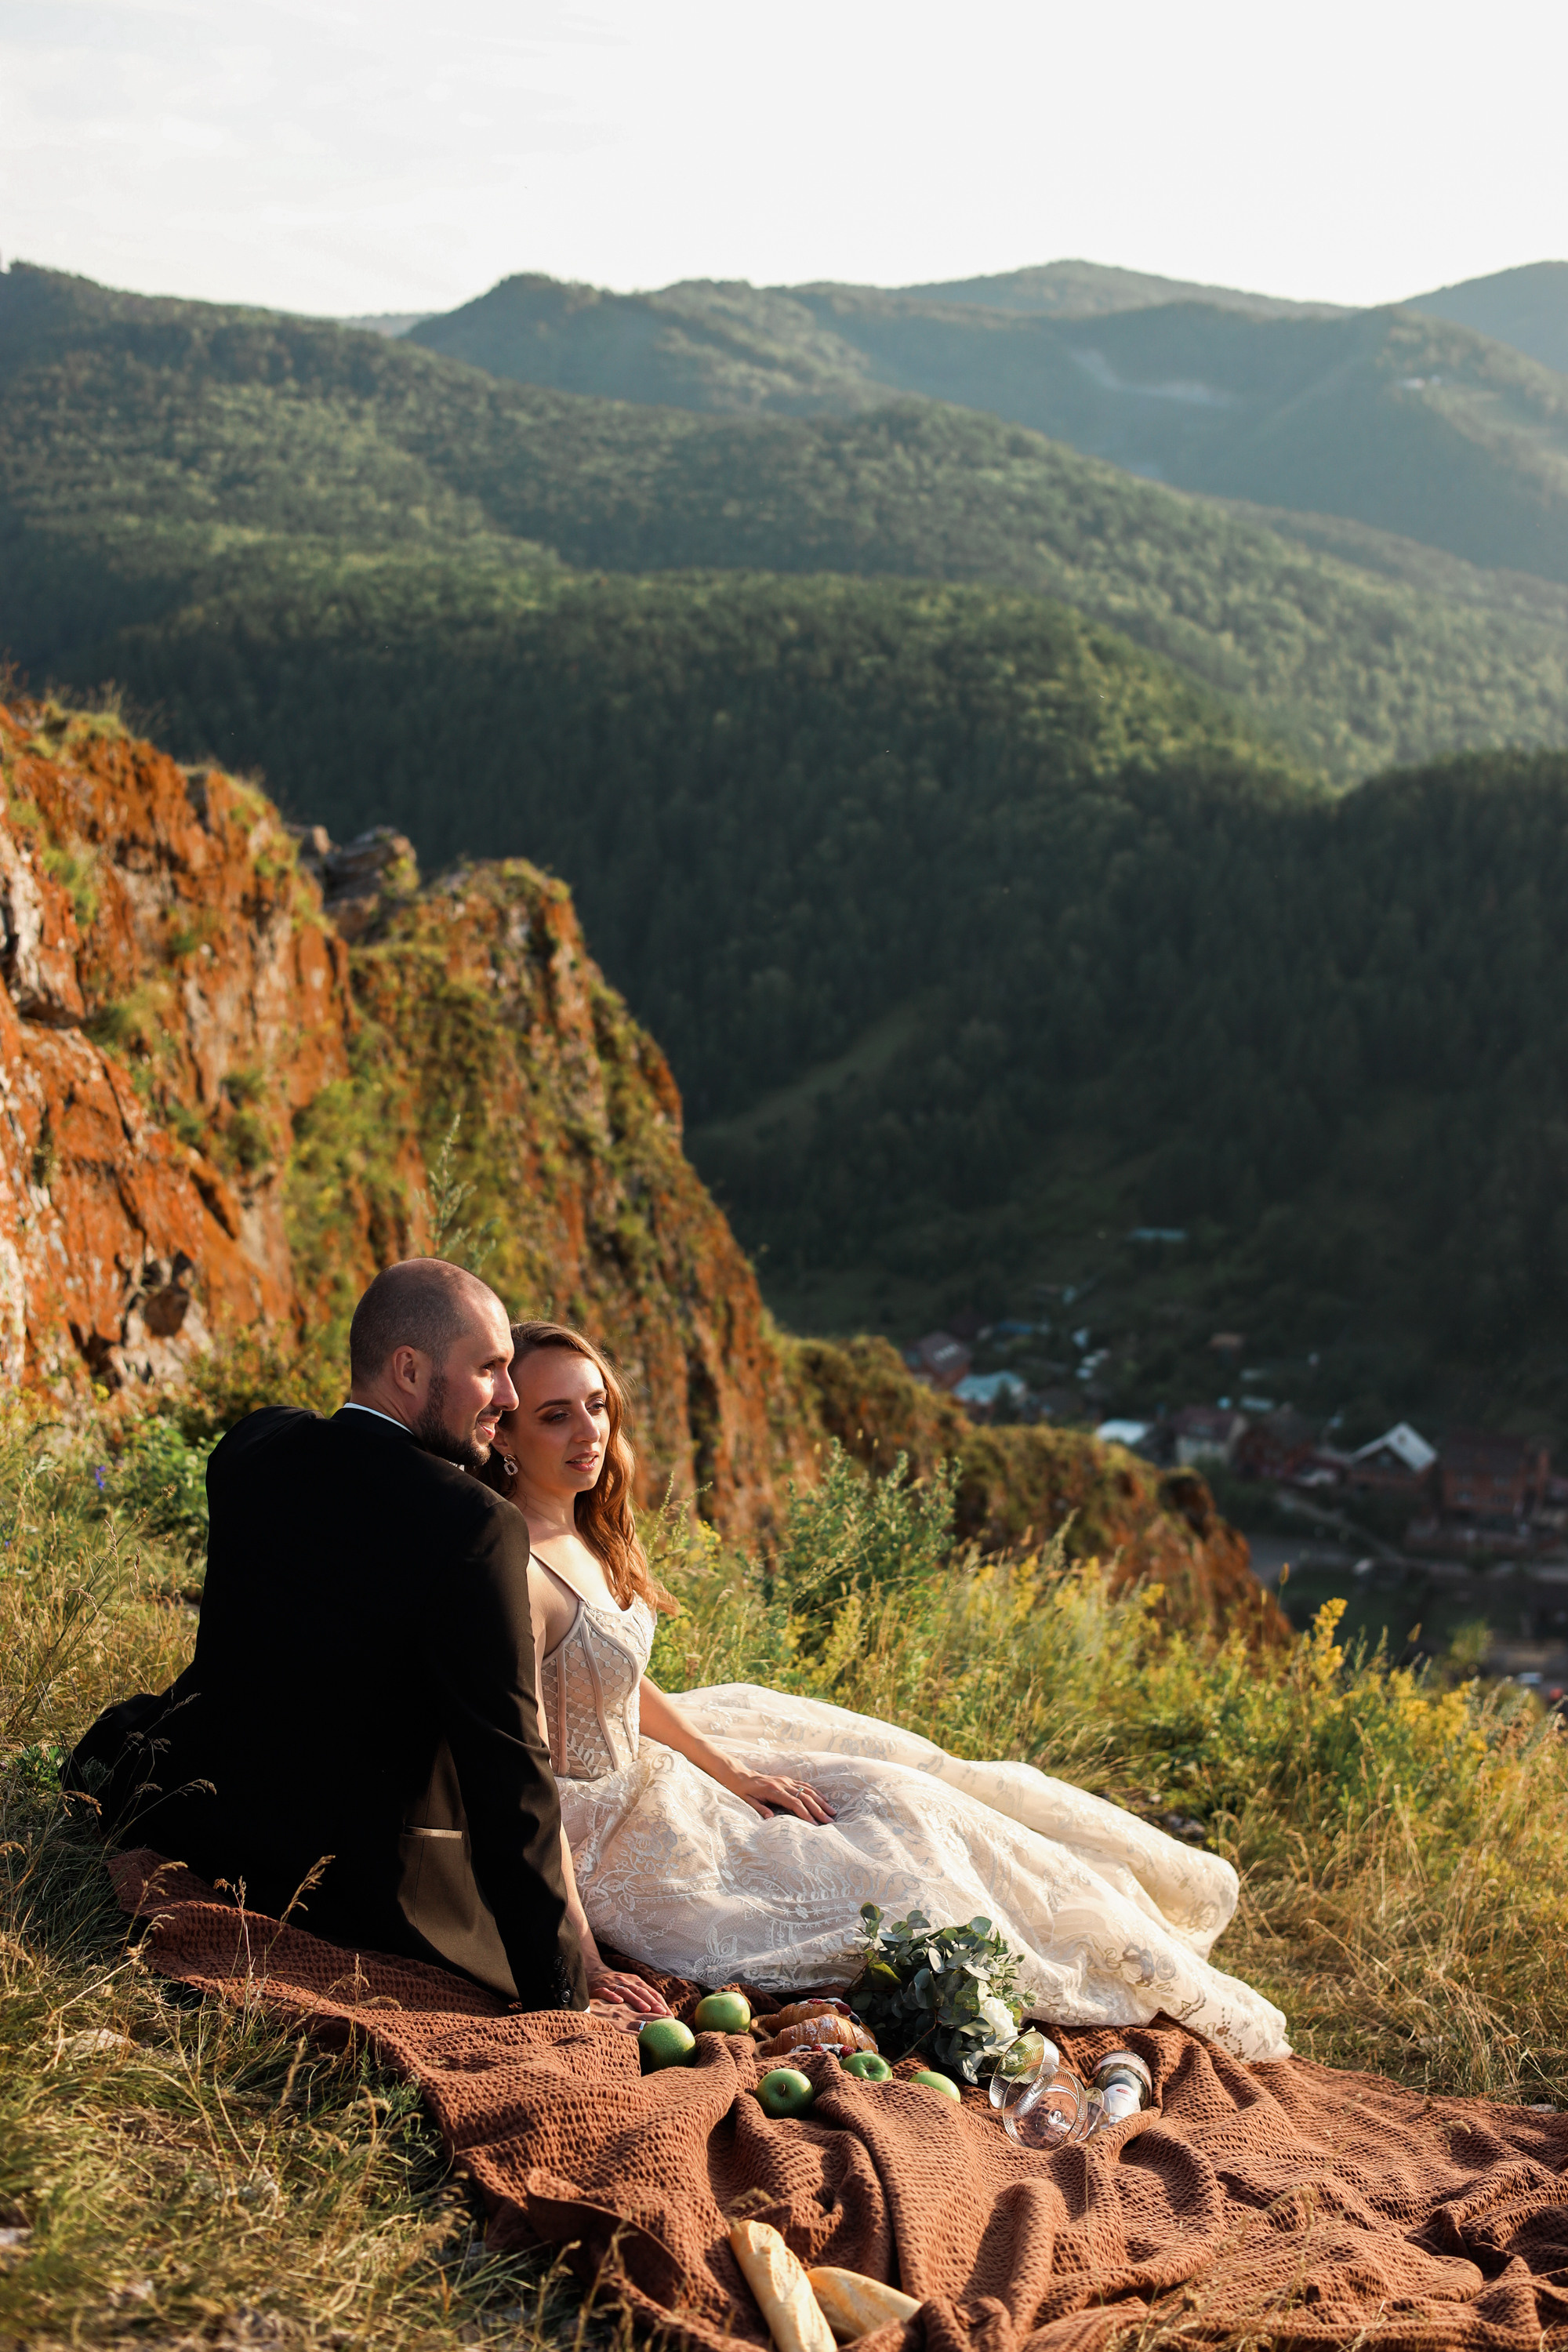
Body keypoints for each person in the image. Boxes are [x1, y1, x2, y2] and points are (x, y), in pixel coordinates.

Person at [478, 1319, 1293, 2061]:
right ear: (505, 1433)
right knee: (898, 1888)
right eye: (556, 1416)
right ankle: (1081, 1968)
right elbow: (523, 1773)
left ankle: (1129, 1926)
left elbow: (615, 1684)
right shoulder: (517, 1567)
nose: (589, 1433)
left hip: (661, 1760)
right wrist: (578, 1959)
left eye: (595, 1405)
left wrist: (730, 1771)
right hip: (601, 1830)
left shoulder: (585, 1522)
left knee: (913, 1788)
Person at [71, 1261, 630, 2019]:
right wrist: (563, 1991)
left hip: (205, 1824)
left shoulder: (251, 1447)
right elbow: (509, 1779)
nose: (508, 1396)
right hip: (348, 1887)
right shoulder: (472, 1526)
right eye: (490, 1369)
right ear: (409, 1369)